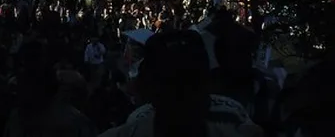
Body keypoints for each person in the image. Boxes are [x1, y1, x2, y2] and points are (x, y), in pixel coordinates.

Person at [101, 28, 263, 137]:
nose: (180, 96)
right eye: (169, 84)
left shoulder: (235, 120)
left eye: (189, 82)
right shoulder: (134, 125)